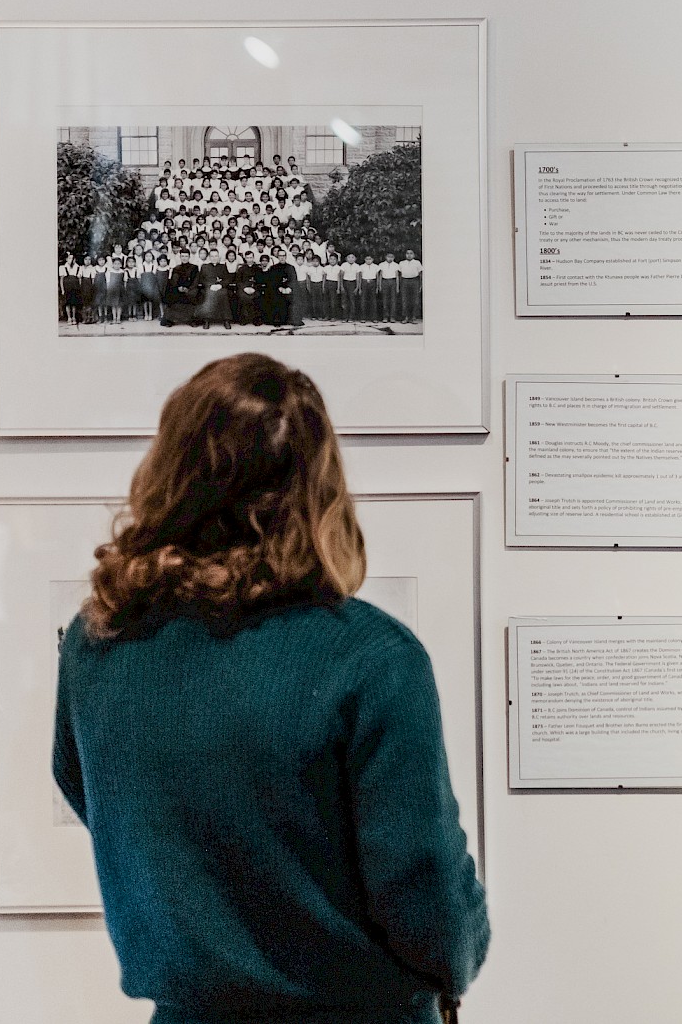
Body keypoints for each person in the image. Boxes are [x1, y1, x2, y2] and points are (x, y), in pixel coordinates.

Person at [53, 353, 489, 1024]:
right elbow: (425, 897)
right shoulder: (373, 657)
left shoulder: (98, 644)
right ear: (319, 487)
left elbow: (93, 794)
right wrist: (463, 947)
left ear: (170, 474)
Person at [397, 249, 424, 322]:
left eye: (411, 253)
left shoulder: (417, 262)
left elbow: (421, 274)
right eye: (407, 253)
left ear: (414, 255)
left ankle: (414, 317)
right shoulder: (401, 263)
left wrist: (420, 285)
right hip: (404, 281)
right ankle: (405, 317)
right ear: (405, 255)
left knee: (415, 300)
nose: (409, 255)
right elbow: (399, 275)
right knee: (404, 300)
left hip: (415, 281)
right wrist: (399, 284)